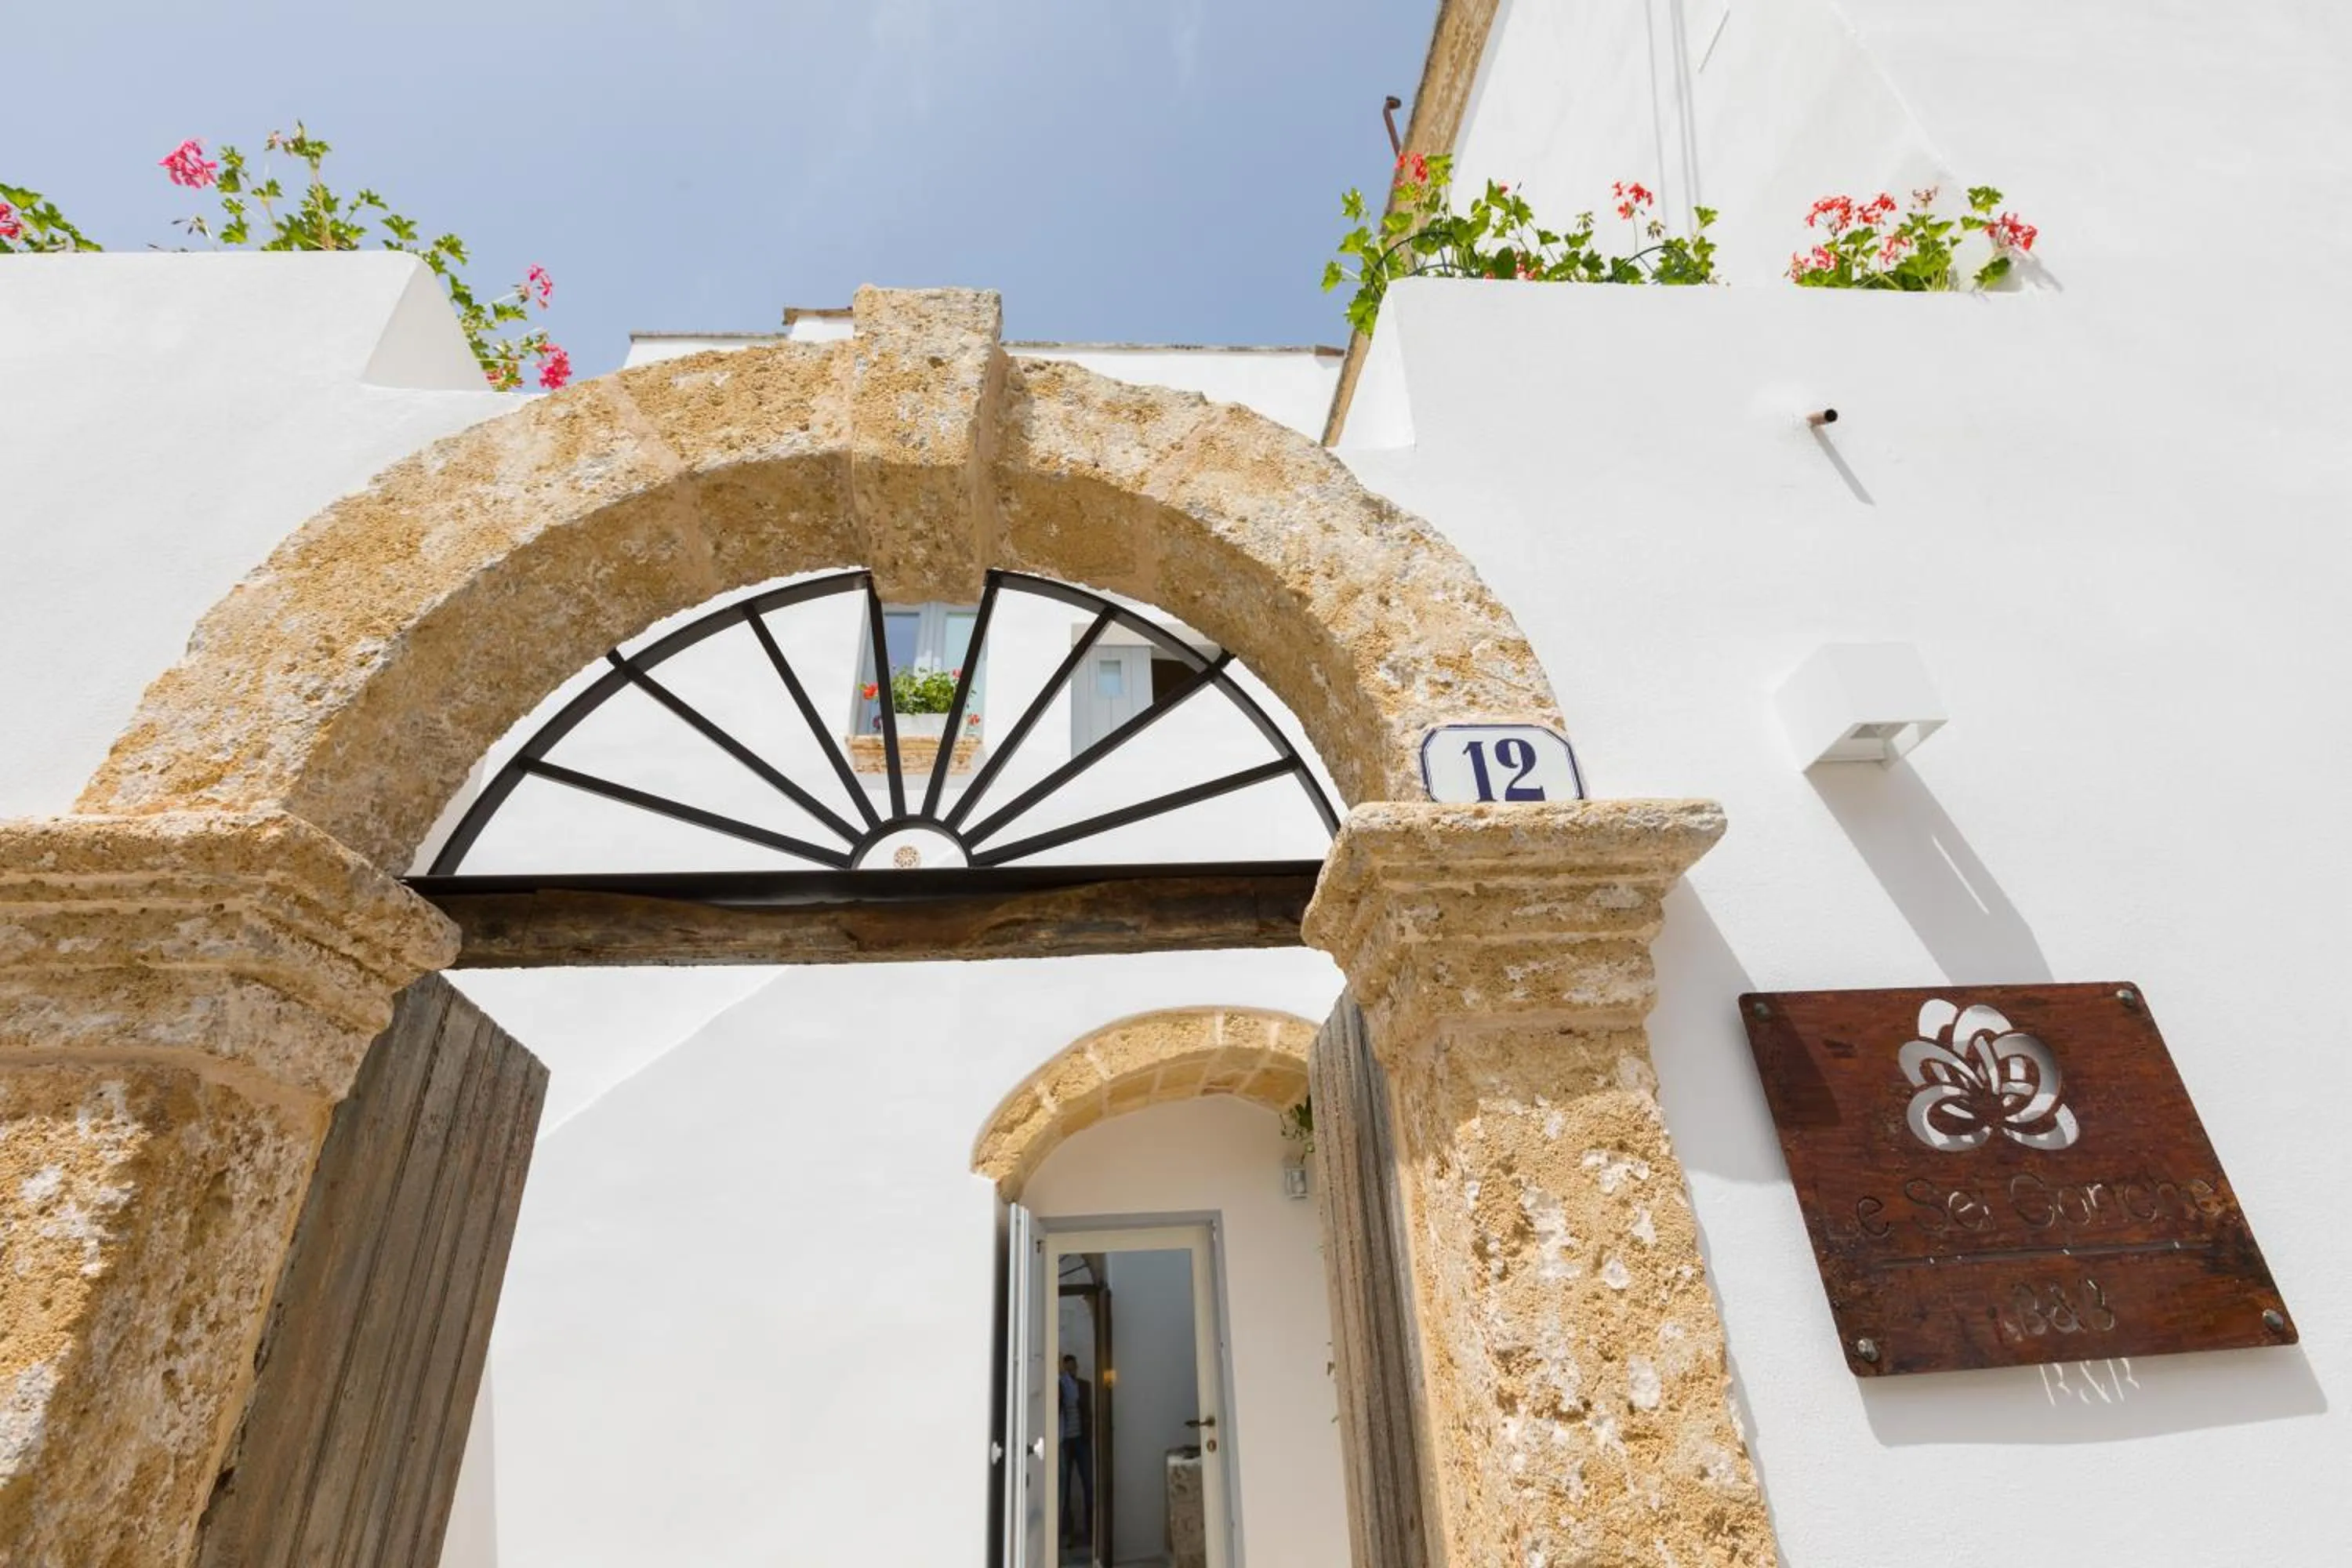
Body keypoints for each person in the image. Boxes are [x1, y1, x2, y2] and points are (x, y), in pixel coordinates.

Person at [1058, 1353, 1094, 1551]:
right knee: (1065, 1488)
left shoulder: (1084, 1386)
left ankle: (1091, 1531)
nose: (1072, 1371)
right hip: (1065, 1442)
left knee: (1089, 1484)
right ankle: (1067, 1534)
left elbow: (1088, 1411)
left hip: (1081, 1440)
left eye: (1074, 1368)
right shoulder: (1061, 1386)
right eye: (1068, 1368)